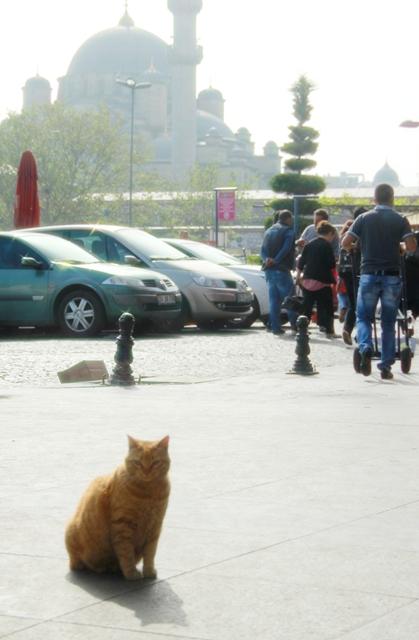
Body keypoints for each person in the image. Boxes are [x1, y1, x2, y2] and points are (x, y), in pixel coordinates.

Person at [342, 183, 417, 379]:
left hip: (368, 273)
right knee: (389, 321)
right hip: (392, 275)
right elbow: (411, 247)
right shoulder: (400, 219)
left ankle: (365, 347)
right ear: (392, 199)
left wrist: (357, 247)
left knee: (363, 316)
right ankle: (385, 365)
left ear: (374, 199)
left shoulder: (363, 218)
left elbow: (345, 243)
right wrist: (400, 247)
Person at [296, 220, 337, 338]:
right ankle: (329, 331)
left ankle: (302, 330)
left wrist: (298, 277)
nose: (333, 238)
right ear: (329, 233)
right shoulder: (327, 246)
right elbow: (331, 264)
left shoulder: (309, 244)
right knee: (327, 307)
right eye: (333, 236)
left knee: (307, 307)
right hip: (322, 281)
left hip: (307, 280)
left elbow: (301, 262)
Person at [260, 209, 297, 335]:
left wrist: (267, 260)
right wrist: (276, 260)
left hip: (269, 271)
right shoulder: (288, 231)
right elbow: (286, 249)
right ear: (288, 219)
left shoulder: (269, 231)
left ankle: (275, 328)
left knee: (274, 301)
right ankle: (295, 327)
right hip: (281, 269)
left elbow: (262, 250)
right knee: (290, 299)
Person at [338, 207, 367, 345]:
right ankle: (355, 331)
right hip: (357, 271)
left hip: (345, 271)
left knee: (353, 302)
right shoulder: (361, 230)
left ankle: (348, 329)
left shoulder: (348, 230)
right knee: (360, 303)